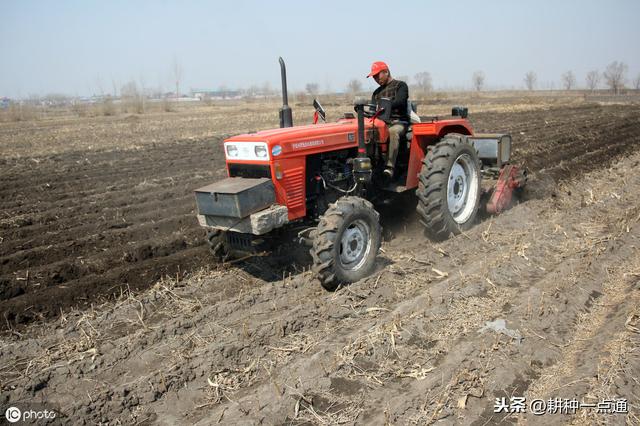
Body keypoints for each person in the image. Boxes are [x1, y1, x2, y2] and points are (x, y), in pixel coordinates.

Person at [367, 61, 409, 179]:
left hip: (398, 122)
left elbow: (400, 102)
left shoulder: (400, 86)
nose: (375, 79)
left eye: (377, 75)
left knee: (393, 132)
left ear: (386, 72)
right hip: (381, 123)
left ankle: (389, 167)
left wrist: (384, 106)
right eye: (373, 77)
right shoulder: (376, 93)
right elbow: (372, 110)